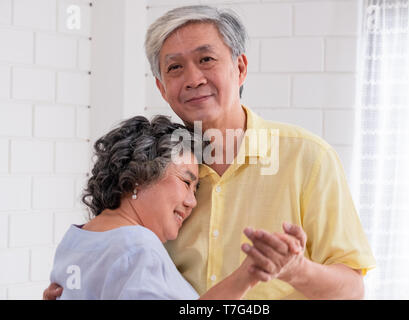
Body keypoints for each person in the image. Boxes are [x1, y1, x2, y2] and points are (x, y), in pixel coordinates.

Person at [45, 5, 376, 300]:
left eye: (206, 59)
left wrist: (294, 269)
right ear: (161, 88)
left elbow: (352, 291)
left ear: (240, 68)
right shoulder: (156, 171)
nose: (192, 78)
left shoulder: (308, 158)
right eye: (174, 68)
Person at [48, 115, 300, 299]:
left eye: (196, 190)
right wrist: (247, 275)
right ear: (140, 175)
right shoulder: (138, 246)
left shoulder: (75, 239)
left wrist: (246, 275)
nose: (192, 201)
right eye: (186, 182)